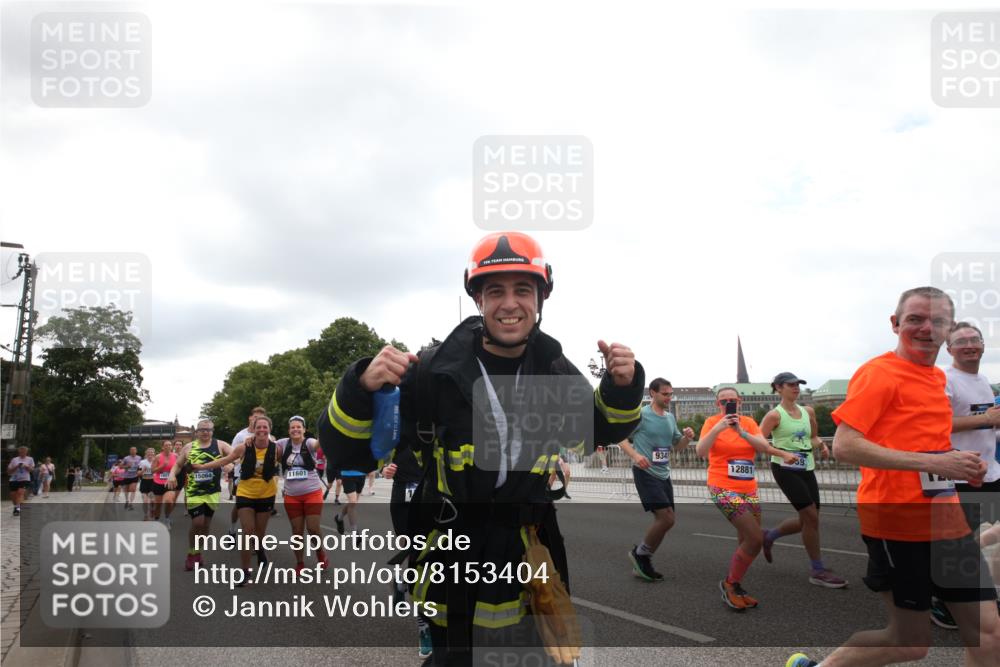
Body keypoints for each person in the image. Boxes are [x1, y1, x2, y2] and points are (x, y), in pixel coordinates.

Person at [318, 231, 644, 664]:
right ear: (478, 300)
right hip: (455, 560)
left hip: (531, 553)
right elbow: (348, 456)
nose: (509, 303)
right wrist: (358, 388)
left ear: (541, 298)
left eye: (522, 290)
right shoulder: (434, 371)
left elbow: (593, 434)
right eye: (495, 291)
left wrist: (622, 388)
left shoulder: (553, 369)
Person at [787, 287, 999, 667]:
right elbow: (845, 447)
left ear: (948, 329)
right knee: (909, 643)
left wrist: (962, 464)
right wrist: (934, 465)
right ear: (895, 323)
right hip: (897, 523)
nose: (926, 328)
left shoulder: (936, 379)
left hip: (947, 523)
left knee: (990, 635)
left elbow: (931, 445)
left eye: (937, 321)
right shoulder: (878, 373)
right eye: (915, 319)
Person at [697, 387, 798, 610]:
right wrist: (718, 428)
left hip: (748, 489)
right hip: (722, 486)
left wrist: (740, 431)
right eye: (723, 401)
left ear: (739, 402)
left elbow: (762, 447)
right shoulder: (712, 422)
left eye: (732, 400)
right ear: (718, 405)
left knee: (745, 539)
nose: (728, 404)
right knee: (755, 538)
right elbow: (701, 452)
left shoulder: (749, 423)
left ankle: (736, 583)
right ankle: (729, 584)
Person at [928, 321, 1000, 629]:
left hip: (990, 471)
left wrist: (992, 426)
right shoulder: (946, 379)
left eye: (975, 339)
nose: (969, 345)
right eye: (961, 341)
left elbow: (984, 428)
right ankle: (942, 602)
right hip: (959, 474)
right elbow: (935, 425)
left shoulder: (983, 379)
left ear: (983, 345)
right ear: (949, 349)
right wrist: (985, 418)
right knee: (957, 546)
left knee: (968, 542)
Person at [758, 372, 847, 589]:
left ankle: (770, 536)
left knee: (809, 518)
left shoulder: (808, 411)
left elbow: (813, 437)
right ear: (778, 388)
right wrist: (781, 454)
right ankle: (817, 569)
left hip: (806, 466)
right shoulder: (774, 415)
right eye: (791, 385)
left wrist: (823, 446)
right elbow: (758, 442)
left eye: (798, 384)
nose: (796, 388)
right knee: (810, 517)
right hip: (785, 468)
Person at [618, 378, 694, 581]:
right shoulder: (641, 414)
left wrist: (687, 437)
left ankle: (642, 559)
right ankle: (641, 555)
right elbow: (620, 438)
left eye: (671, 394)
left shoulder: (669, 418)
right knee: (666, 518)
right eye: (665, 394)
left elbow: (677, 446)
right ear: (652, 393)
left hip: (663, 473)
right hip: (645, 472)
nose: (669, 397)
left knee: (669, 521)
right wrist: (636, 456)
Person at [193, 414, 281, 581]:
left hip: (267, 494)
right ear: (253, 430)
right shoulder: (243, 447)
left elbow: (294, 457)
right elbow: (225, 460)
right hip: (245, 492)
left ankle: (260, 548)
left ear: (270, 430)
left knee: (259, 534)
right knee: (247, 532)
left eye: (265, 427)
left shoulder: (277, 448)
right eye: (258, 427)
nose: (262, 430)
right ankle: (245, 572)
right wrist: (203, 466)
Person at [168, 419, 233, 570]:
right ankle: (191, 553)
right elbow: (178, 464)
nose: (205, 432)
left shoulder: (220, 445)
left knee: (206, 525)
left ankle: (198, 552)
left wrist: (230, 464)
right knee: (197, 522)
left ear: (212, 431)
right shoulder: (189, 447)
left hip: (212, 491)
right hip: (194, 491)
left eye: (208, 430)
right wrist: (172, 475)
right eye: (202, 429)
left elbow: (236, 455)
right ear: (196, 432)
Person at [277, 416, 328, 572]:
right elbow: (266, 443)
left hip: (312, 492)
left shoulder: (309, 443)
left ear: (304, 430)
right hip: (292, 495)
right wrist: (250, 440)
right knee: (297, 532)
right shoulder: (283, 443)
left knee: (313, 528)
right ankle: (300, 563)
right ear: (289, 430)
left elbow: (319, 444)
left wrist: (326, 431)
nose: (295, 430)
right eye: (292, 427)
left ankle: (320, 554)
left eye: (299, 427)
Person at [228, 407, 269, 534]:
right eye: (255, 417)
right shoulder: (241, 435)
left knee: (258, 508)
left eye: (260, 418)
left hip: (260, 477)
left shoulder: (267, 435)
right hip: (242, 476)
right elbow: (231, 454)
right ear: (250, 418)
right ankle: (232, 528)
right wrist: (237, 463)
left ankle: (254, 539)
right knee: (239, 506)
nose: (257, 420)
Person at [151, 440, 178, 526]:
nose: (168, 446)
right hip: (158, 483)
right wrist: (162, 466)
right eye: (166, 445)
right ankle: (156, 519)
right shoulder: (158, 457)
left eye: (170, 445)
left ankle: (167, 518)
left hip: (170, 483)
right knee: (158, 505)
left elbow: (179, 467)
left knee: (169, 501)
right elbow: (152, 471)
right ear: (162, 447)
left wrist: (174, 476)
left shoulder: (176, 456)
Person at [332, 468, 365, 534]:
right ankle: (355, 532)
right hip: (347, 474)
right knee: (353, 501)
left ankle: (339, 518)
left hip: (361, 474)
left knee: (353, 503)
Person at [7, 446, 35, 515]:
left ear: (26, 452)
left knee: (20, 493)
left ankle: (17, 509)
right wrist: (16, 466)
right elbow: (9, 471)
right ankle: (16, 506)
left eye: (24, 451)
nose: (22, 453)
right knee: (13, 495)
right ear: (19, 452)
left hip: (24, 479)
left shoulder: (30, 459)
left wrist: (26, 466)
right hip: (14, 479)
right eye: (21, 451)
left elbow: (32, 470)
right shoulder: (14, 459)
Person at [121, 446, 143, 510]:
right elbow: (121, 466)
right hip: (126, 476)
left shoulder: (139, 458)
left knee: (133, 489)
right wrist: (127, 466)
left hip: (134, 476)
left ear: (136, 451)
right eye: (132, 450)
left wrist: (140, 471)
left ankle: (131, 503)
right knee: (126, 490)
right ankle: (127, 501)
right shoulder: (126, 458)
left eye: (134, 450)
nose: (133, 451)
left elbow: (141, 466)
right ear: (130, 451)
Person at [138, 447, 155, 520]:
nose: (150, 454)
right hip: (144, 482)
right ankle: (145, 515)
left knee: (152, 501)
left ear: (154, 454)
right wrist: (143, 470)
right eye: (149, 452)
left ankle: (151, 509)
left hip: (153, 482)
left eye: (152, 452)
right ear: (146, 454)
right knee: (145, 501)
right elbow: (138, 473)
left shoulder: (156, 461)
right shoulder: (142, 462)